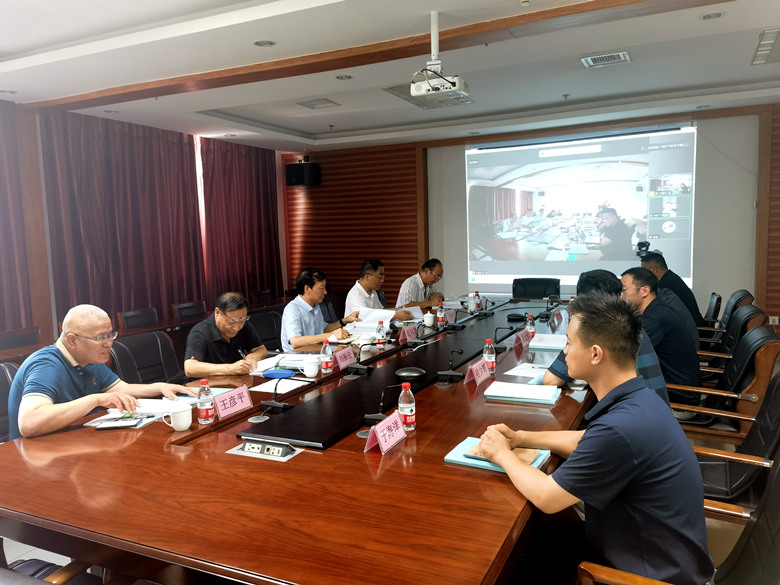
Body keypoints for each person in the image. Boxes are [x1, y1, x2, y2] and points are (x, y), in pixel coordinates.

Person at [478, 292, 714, 585]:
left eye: (569, 343)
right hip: (650, 550)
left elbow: (547, 497)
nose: (565, 352)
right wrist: (520, 437)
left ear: (595, 354)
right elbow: (586, 441)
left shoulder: (620, 429)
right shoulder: (640, 398)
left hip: (644, 575)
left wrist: (501, 454)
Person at [8, 304, 196, 440]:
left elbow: (121, 389)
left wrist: (160, 387)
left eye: (110, 335)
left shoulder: (89, 358)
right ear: (72, 340)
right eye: (99, 338)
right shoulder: (46, 366)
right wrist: (95, 400)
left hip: (74, 442)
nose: (109, 343)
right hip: (36, 455)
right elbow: (29, 423)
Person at [542, 269, 668, 404]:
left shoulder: (599, 328)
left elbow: (551, 380)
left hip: (636, 409)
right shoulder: (627, 324)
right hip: (654, 406)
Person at [621, 267, 701, 406]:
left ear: (644, 290)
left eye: (624, 290)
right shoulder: (656, 309)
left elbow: (627, 354)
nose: (620, 296)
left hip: (677, 400)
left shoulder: (655, 319)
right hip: (671, 388)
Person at [184, 292, 268, 378]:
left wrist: (252, 357)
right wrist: (230, 368)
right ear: (217, 313)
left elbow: (261, 350)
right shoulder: (200, 333)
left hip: (236, 381)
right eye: (231, 321)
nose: (236, 327)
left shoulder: (243, 326)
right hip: (207, 384)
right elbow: (190, 368)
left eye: (241, 321)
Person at [281, 268, 360, 351]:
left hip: (315, 351)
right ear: (307, 289)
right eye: (321, 288)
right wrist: (331, 335)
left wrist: (345, 321)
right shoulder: (292, 309)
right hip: (296, 356)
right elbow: (295, 341)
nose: (325, 292)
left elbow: (323, 329)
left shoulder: (316, 305)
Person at [641, 251, 705, 326]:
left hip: (691, 328)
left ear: (653, 270)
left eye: (643, 271)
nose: (642, 275)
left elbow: (653, 308)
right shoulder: (670, 278)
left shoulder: (666, 285)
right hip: (689, 325)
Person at [344, 259, 412, 320]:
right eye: (380, 277)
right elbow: (365, 317)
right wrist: (395, 316)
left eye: (383, 277)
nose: (382, 281)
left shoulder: (373, 291)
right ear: (367, 277)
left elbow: (380, 311)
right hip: (356, 329)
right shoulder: (355, 294)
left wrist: (398, 310)